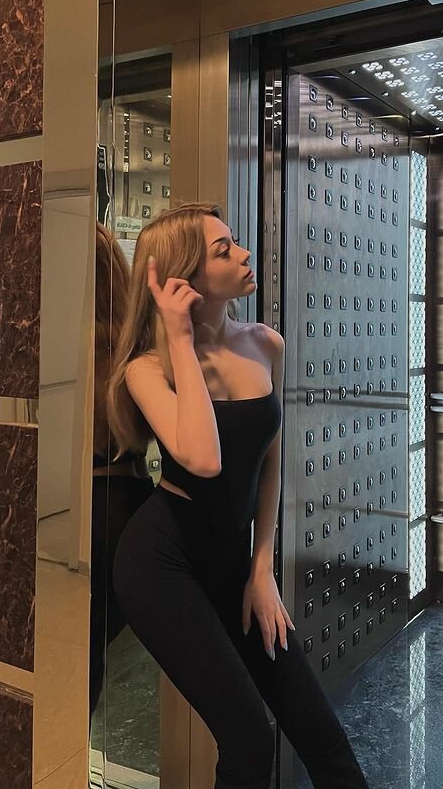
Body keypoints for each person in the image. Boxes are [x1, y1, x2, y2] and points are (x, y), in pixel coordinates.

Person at [109, 202, 369, 789]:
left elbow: (270, 463)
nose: (245, 254)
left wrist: (261, 568)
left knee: (321, 732)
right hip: (161, 564)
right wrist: (181, 340)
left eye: (236, 242)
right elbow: (203, 459)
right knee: (249, 738)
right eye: (223, 250)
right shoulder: (147, 370)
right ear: (183, 277)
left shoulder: (265, 344)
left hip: (235, 564)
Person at [90, 222, 154, 719]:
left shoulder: (77, 345)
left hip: (94, 504)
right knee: (95, 644)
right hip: (135, 496)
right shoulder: (136, 344)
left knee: (81, 649)